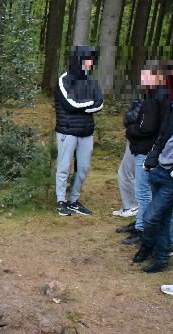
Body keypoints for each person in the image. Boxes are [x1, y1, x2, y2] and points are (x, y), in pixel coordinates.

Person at [133, 62, 173, 273]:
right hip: (158, 169)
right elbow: (164, 135)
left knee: (152, 216)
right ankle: (156, 253)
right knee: (163, 216)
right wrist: (152, 158)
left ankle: (156, 251)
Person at [121, 61, 173, 245]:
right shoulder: (154, 95)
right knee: (144, 190)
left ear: (157, 76)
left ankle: (142, 229)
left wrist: (130, 131)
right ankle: (140, 224)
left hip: (146, 150)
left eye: (146, 74)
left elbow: (148, 127)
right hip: (148, 149)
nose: (143, 78)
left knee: (143, 192)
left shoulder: (155, 98)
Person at [54, 45, 104, 216]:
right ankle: (61, 201)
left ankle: (73, 200)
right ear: (79, 60)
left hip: (86, 133)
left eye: (92, 60)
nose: (91, 63)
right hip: (66, 132)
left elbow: (100, 103)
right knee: (63, 167)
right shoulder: (64, 80)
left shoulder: (92, 81)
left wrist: (84, 105)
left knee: (83, 168)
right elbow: (70, 104)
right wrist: (89, 104)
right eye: (88, 59)